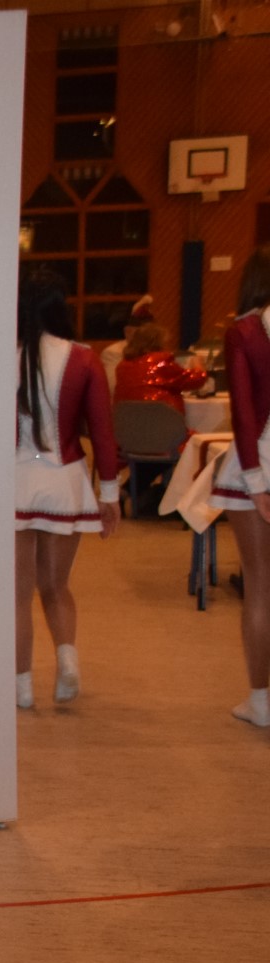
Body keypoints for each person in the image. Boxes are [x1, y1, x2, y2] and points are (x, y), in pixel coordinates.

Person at [13, 269, 120, 710]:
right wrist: (110, 495)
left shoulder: (3, 356)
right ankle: (67, 661)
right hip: (66, 482)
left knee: (17, 596)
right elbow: (104, 432)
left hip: (14, 481)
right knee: (56, 586)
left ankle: (21, 688)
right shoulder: (84, 359)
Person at [208, 245, 270, 728]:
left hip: (260, 464)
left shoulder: (245, 332)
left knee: (259, 587)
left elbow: (244, 413)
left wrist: (255, 481)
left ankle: (261, 702)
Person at [113, 322, 206, 415]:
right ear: (158, 343)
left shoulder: (122, 366)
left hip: (127, 419)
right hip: (160, 418)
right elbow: (194, 380)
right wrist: (198, 366)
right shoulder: (160, 361)